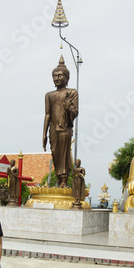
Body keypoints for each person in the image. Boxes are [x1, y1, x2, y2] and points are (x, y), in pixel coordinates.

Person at [43, 55, 78, 187]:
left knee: (64, 153)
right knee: (55, 153)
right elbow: (47, 114)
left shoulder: (72, 92)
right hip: (52, 129)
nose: (57, 78)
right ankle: (58, 178)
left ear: (67, 78)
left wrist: (68, 108)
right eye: (54, 76)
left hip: (65, 127)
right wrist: (44, 134)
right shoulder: (49, 95)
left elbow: (75, 113)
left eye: (60, 75)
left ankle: (63, 179)